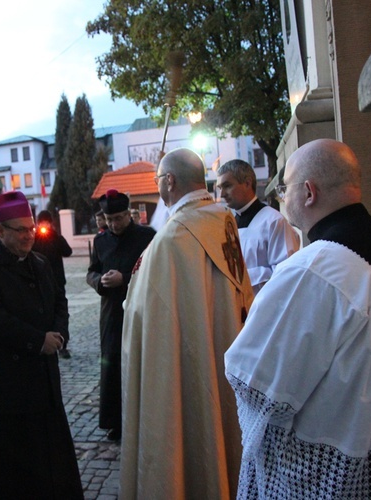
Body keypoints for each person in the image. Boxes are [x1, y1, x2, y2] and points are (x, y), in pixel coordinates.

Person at [224, 139, 371, 498]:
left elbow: (257, 383)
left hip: (322, 475)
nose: (280, 197)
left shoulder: (313, 269)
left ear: (308, 192)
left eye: (284, 187)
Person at [120, 148, 254, 499]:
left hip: (188, 361)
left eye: (157, 180)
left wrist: (130, 300)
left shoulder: (174, 236)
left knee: (189, 426)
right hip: (226, 345)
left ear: (169, 182)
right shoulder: (221, 218)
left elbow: (152, 316)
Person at [0, 191, 82, 499]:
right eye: (21, 229)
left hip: (43, 381)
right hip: (7, 384)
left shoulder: (41, 262)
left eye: (31, 228)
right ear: (0, 231)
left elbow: (59, 300)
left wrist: (59, 332)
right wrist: (36, 340)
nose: (30, 235)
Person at [86, 189, 155, 441]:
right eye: (109, 219)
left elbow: (154, 272)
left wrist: (124, 279)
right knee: (112, 364)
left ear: (129, 214)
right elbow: (91, 272)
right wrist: (100, 282)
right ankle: (115, 421)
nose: (113, 224)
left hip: (139, 310)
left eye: (118, 218)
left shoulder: (147, 237)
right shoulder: (101, 241)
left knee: (140, 360)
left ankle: (143, 416)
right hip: (111, 313)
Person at [217, 159, 300, 294]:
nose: (222, 194)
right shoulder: (227, 225)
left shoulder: (273, 221)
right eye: (220, 188)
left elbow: (287, 273)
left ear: (247, 183)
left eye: (227, 186)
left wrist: (239, 276)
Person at [32, 210, 74, 359]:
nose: (44, 226)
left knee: (61, 312)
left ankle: (63, 343)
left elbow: (68, 251)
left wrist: (56, 236)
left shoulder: (56, 237)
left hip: (56, 281)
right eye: (41, 222)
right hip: (38, 282)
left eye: (46, 222)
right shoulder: (34, 238)